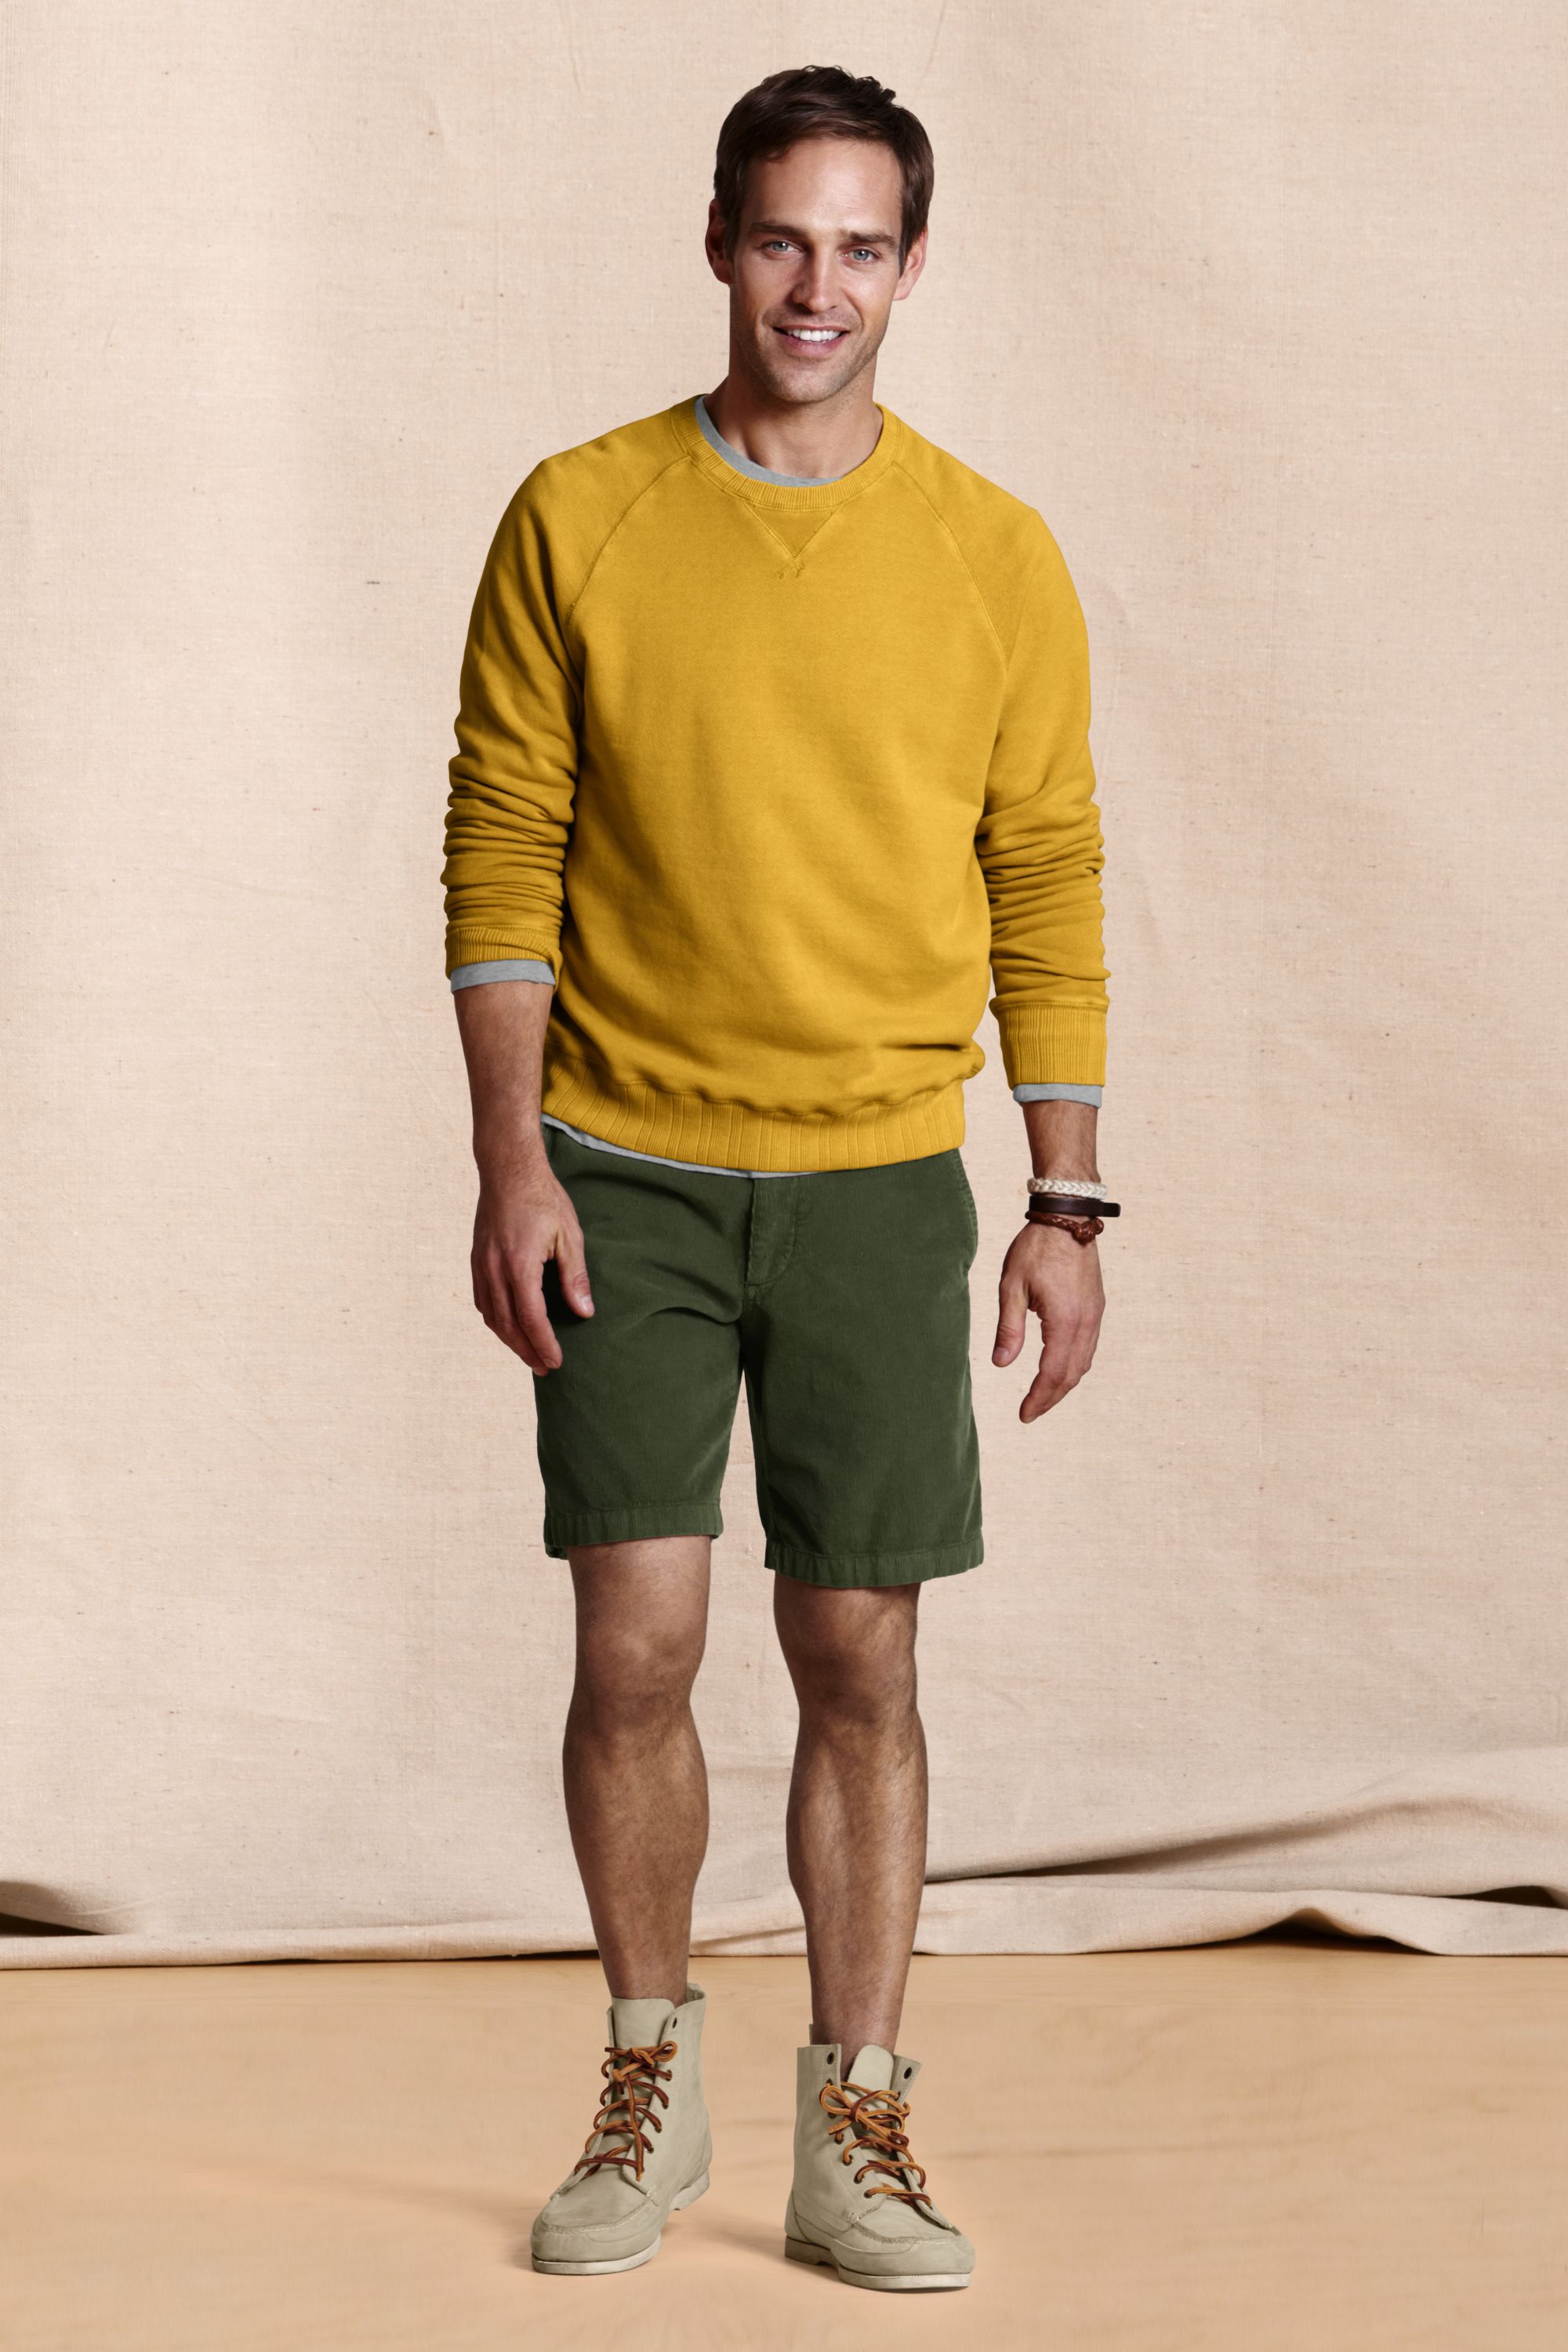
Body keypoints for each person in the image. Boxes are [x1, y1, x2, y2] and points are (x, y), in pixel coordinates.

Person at [441, 63, 1111, 2295]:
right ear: (718, 242)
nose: (818, 286)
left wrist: (1066, 1202)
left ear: (913, 266)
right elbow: (502, 845)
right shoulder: (581, 513)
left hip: (879, 1181)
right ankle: (645, 2082)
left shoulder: (994, 552)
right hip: (621, 1168)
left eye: (861, 246)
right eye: (780, 239)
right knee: (634, 1645)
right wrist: (509, 1162)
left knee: (859, 1655)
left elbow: (1046, 877)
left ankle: (861, 2132)